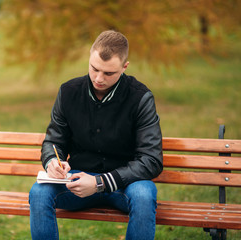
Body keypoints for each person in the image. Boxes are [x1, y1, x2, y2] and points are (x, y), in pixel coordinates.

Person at [29, 30, 163, 240]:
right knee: (38, 193)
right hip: (77, 181)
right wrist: (52, 161)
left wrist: (100, 182)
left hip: (126, 183)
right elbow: (54, 140)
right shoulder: (68, 91)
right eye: (94, 69)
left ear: (124, 67)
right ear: (89, 59)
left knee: (144, 195)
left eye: (108, 73)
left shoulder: (141, 98)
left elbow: (151, 160)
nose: (99, 78)